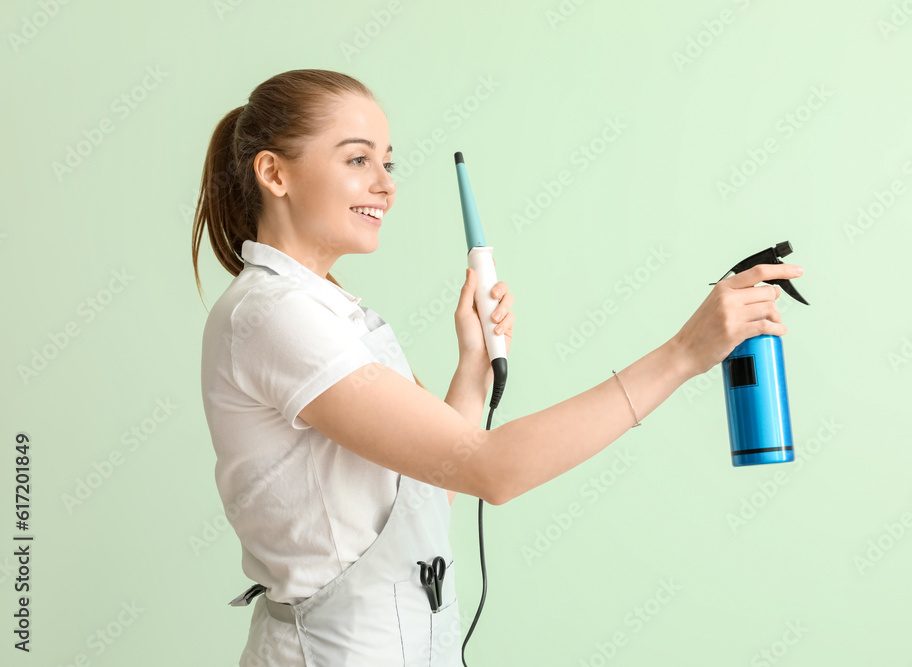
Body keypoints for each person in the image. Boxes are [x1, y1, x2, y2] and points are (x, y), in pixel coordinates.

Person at [193, 69, 803, 666]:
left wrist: (473, 368)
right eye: (357, 160)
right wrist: (683, 355)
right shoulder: (273, 316)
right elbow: (491, 471)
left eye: (389, 162)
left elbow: (430, 490)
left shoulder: (332, 313)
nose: (386, 184)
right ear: (273, 172)